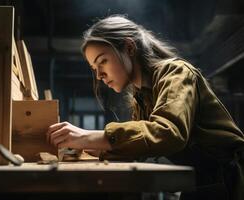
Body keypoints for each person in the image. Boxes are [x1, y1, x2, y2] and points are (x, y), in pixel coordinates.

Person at [46, 15, 244, 200]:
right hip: (201, 182)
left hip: (228, 181)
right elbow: (142, 146)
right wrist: (96, 148)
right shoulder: (141, 96)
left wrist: (86, 136)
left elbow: (168, 133)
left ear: (129, 48)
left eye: (102, 61)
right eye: (94, 69)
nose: (99, 75)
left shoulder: (176, 72)